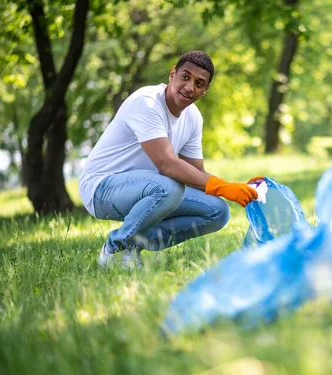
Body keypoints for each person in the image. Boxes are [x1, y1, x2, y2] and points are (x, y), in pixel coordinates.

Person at [79, 51, 260, 269]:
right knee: (171, 186)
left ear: (205, 90)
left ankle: (134, 246)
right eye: (185, 77)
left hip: (148, 188)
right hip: (101, 188)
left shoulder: (193, 118)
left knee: (217, 211)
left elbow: (196, 175)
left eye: (199, 83)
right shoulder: (146, 102)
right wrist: (222, 186)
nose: (190, 87)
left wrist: (241, 189)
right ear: (172, 74)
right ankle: (114, 248)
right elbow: (166, 164)